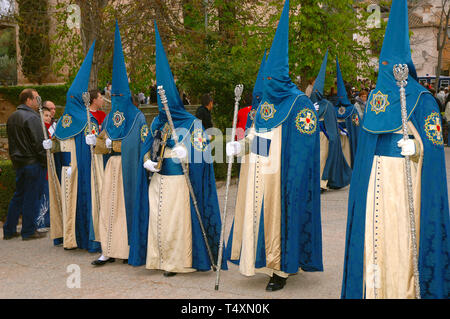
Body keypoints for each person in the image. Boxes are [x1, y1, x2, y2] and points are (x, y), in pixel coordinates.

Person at [341, 0, 450, 299]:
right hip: (374, 191)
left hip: (404, 192)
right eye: (383, 65)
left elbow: (434, 154)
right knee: (375, 245)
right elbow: (364, 153)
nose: (387, 71)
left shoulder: (423, 101)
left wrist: (415, 149)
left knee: (400, 244)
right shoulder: (376, 99)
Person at [225, 0, 323, 292]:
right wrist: (240, 146)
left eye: (271, 79)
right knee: (259, 217)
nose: (267, 84)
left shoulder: (299, 103)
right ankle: (262, 261)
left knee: (280, 220)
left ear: (282, 77)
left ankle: (280, 270)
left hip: (283, 176)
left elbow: (306, 146)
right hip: (260, 173)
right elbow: (259, 138)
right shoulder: (266, 104)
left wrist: (290, 173)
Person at [128, 21, 225, 276]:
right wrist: (146, 160)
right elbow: (149, 145)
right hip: (158, 179)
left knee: (175, 222)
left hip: (180, 181)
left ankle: (176, 261)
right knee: (158, 221)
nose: (161, 106)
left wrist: (189, 154)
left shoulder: (193, 123)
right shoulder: (158, 121)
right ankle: (159, 259)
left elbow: (204, 152)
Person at [91, 22, 148, 266]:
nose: (113, 100)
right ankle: (107, 248)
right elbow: (101, 145)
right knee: (109, 208)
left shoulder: (138, 116)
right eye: (111, 96)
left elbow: (142, 144)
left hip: (128, 170)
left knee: (125, 208)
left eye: (117, 96)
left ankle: (126, 249)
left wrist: (120, 146)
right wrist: (99, 141)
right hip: (111, 168)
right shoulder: (109, 120)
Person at [52, 42, 102, 253]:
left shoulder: (88, 119)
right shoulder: (65, 118)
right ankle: (70, 236)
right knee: (70, 201)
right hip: (69, 168)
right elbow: (58, 142)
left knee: (83, 200)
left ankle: (86, 237)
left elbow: (96, 144)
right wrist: (51, 145)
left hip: (83, 169)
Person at [3, 88, 47, 240]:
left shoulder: (12, 117)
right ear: (28, 100)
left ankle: (9, 230)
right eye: (36, 98)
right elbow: (39, 143)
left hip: (19, 163)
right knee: (32, 197)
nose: (38, 101)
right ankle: (28, 230)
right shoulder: (32, 117)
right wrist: (44, 161)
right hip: (32, 163)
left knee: (19, 196)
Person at [310, 50, 351, 192]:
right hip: (314, 137)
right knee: (315, 160)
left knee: (322, 160)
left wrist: (333, 139)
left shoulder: (326, 105)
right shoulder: (309, 105)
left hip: (323, 138)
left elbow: (330, 125)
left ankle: (321, 183)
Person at [334, 57, 360, 168]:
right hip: (339, 137)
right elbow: (357, 125)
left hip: (347, 138)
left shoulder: (351, 109)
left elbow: (356, 125)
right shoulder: (350, 109)